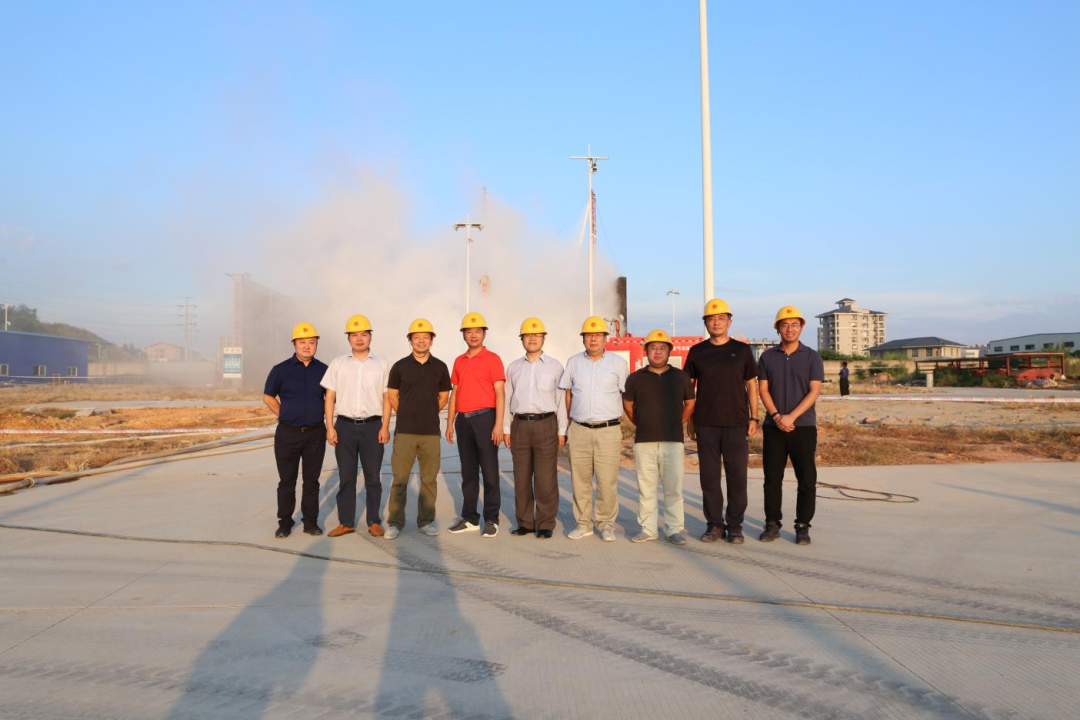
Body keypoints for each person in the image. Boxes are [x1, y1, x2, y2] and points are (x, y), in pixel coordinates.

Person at [684, 299, 759, 544]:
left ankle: (735, 526)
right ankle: (715, 525)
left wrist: (754, 416)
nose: (716, 322)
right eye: (711, 319)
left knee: (737, 478)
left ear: (729, 321)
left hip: (737, 423)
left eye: (721, 318)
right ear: (705, 323)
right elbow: (689, 388)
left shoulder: (742, 350)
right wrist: (690, 419)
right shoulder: (697, 352)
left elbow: (751, 385)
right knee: (709, 479)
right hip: (706, 424)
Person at [758, 306, 824, 546]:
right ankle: (772, 523)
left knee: (806, 479)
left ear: (801, 327)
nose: (790, 329)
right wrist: (777, 416)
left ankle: (802, 525)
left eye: (795, 324)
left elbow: (814, 391)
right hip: (773, 427)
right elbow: (763, 390)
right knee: (772, 479)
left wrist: (792, 417)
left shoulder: (812, 357)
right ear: (777, 328)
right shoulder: (767, 357)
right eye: (785, 325)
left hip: (803, 427)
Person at [559, 316, 629, 542]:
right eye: (589, 335)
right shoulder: (573, 362)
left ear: (605, 338)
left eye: (598, 335)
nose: (593, 339)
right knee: (580, 481)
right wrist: (568, 424)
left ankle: (606, 524)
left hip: (608, 430)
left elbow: (625, 394)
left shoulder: (618, 363)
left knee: (607, 481)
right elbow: (567, 394)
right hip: (579, 429)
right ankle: (583, 524)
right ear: (583, 338)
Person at [622, 330, 695, 546]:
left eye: (662, 348)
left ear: (669, 351)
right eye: (653, 348)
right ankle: (648, 529)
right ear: (646, 351)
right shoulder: (635, 378)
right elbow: (628, 406)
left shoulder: (680, 377)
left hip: (673, 441)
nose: (657, 352)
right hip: (644, 442)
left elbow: (690, 404)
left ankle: (673, 529)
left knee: (673, 489)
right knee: (646, 489)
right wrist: (643, 422)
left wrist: (676, 422)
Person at [321, 314, 391, 538]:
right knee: (347, 477)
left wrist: (385, 427)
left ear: (370, 337)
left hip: (373, 427)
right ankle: (346, 522)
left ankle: (374, 521)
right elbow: (329, 397)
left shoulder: (382, 364)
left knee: (373, 478)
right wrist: (330, 427)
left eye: (363, 334)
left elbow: (387, 398)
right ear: (348, 338)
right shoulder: (338, 364)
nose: (359, 339)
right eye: (354, 335)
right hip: (345, 427)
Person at [385, 318, 452, 540]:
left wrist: (428, 412)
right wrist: (405, 412)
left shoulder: (440, 367)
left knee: (429, 480)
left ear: (431, 340)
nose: (421, 341)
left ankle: (425, 522)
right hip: (405, 432)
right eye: (416, 337)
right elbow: (392, 395)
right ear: (410, 340)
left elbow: (444, 397)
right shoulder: (400, 366)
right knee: (400, 479)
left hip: (430, 432)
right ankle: (395, 523)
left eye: (425, 337)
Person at [263, 322, 329, 539]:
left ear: (317, 344)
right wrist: (283, 414)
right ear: (294, 344)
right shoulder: (280, 370)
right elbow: (268, 396)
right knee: (287, 480)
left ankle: (310, 521)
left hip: (315, 434)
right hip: (287, 433)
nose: (307, 346)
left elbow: (331, 398)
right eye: (302, 342)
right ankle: (285, 522)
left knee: (311, 480)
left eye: (311, 342)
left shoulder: (324, 370)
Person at [503, 317, 567, 539]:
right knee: (521, 478)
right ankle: (525, 523)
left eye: (537, 335)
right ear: (521, 339)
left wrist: (562, 431)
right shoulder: (513, 367)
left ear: (543, 338)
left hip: (546, 424)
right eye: (528, 335)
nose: (532, 338)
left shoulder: (555, 367)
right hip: (519, 425)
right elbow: (507, 398)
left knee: (545, 478)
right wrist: (506, 428)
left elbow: (561, 401)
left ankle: (545, 523)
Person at [446, 313, 506, 538]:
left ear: (484, 334)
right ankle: (470, 518)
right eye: (469, 331)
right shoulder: (459, 361)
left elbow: (500, 393)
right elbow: (455, 392)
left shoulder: (493, 359)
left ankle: (491, 519)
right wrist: (450, 422)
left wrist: (498, 425)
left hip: (485, 419)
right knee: (468, 473)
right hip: (463, 421)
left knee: (489, 473)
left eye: (477, 331)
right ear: (463, 335)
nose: (473, 335)